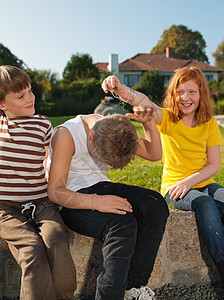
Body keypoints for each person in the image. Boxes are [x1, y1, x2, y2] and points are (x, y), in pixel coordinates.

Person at [103, 66, 224, 284]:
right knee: (205, 203)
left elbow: (214, 165)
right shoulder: (167, 118)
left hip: (200, 182)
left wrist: (189, 182)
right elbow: (142, 100)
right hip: (174, 188)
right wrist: (120, 88)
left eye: (192, 92)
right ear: (173, 94)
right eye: (180, 91)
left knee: (221, 197)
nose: (185, 97)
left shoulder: (209, 124)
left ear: (202, 94)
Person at [47, 88, 169, 299]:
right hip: (71, 198)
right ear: (91, 137)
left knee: (155, 204)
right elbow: (55, 192)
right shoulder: (66, 135)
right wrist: (95, 202)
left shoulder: (115, 129)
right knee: (122, 223)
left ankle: (133, 287)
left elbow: (154, 154)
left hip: (101, 187)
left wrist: (148, 124)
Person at [0, 65, 76, 300]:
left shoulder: (43, 124)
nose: (30, 98)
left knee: (56, 239)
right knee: (32, 249)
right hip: (6, 208)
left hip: (41, 202)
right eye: (20, 96)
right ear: (2, 104)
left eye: (30, 91)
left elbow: (49, 160)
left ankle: (65, 296)